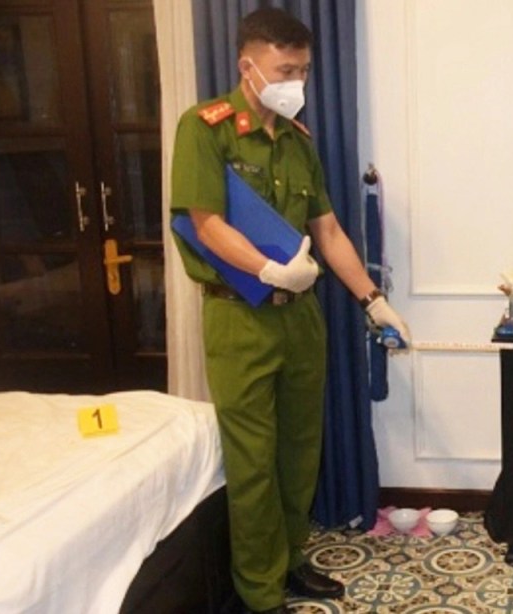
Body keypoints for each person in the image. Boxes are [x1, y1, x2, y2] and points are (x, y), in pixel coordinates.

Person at [169, 8, 410, 614]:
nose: (296, 82)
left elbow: (327, 230)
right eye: (286, 69)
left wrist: (373, 299)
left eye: (303, 70)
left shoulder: (298, 141)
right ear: (247, 65)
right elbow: (205, 223)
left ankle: (292, 559)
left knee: (300, 451)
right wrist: (268, 268)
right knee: (252, 462)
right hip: (240, 317)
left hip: (302, 318)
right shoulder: (205, 128)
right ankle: (258, 590)